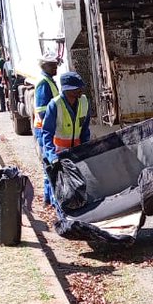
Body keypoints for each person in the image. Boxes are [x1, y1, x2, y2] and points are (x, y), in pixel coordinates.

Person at [43, 72, 91, 213]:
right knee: (57, 187)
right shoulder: (55, 105)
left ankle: (74, 211)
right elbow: (47, 133)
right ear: (67, 90)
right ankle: (59, 214)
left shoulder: (83, 101)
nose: (80, 90)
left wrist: (86, 148)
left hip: (75, 152)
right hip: (58, 153)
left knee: (76, 185)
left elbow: (85, 128)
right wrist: (51, 156)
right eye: (77, 88)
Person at [32, 58, 60, 205]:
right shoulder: (44, 83)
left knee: (48, 164)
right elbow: (43, 110)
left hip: (45, 128)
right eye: (52, 65)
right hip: (44, 128)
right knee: (49, 164)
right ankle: (50, 199)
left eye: (56, 65)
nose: (55, 68)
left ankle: (48, 199)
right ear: (43, 66)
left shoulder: (48, 80)